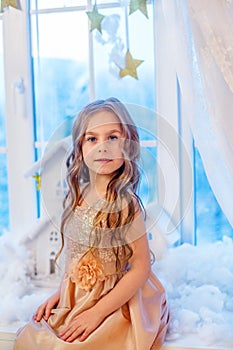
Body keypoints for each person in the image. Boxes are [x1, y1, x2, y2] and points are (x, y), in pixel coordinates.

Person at [14, 98, 169, 350]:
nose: (102, 148)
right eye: (92, 139)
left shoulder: (126, 205)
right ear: (80, 148)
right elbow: (75, 256)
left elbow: (141, 268)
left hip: (114, 298)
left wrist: (96, 313)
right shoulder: (78, 196)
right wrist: (61, 294)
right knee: (31, 339)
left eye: (112, 137)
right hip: (81, 295)